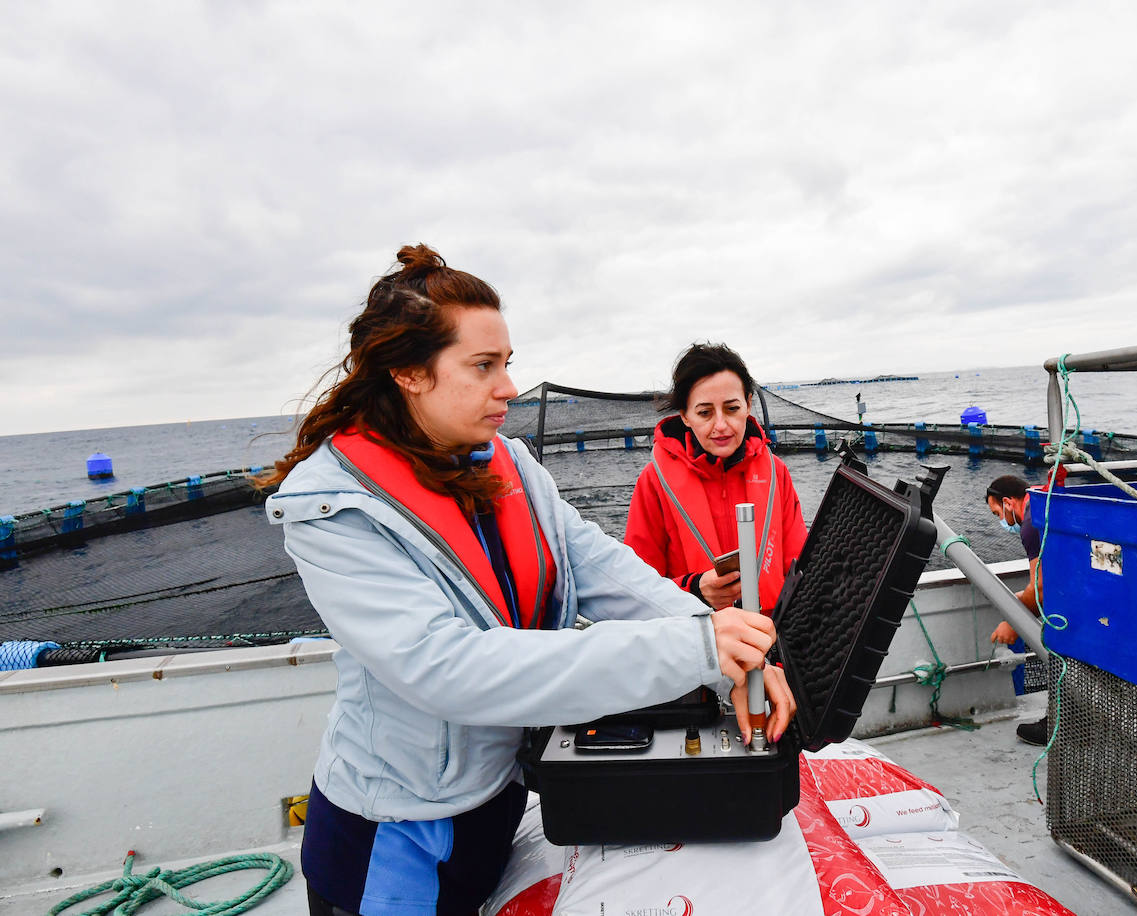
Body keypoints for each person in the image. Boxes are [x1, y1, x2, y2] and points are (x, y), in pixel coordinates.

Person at [257, 246, 795, 916]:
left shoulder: (510, 463)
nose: (509, 386)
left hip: (499, 802)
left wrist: (730, 652)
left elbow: (599, 567)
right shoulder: (333, 509)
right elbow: (447, 667)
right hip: (394, 842)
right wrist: (697, 648)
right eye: (483, 366)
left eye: (506, 363)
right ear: (408, 372)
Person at [624, 342, 808, 614]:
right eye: (705, 413)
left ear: (747, 404)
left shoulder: (776, 472)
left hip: (774, 642)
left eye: (732, 409)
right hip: (696, 645)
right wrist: (696, 589)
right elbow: (635, 590)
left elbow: (800, 568)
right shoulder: (654, 482)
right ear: (685, 415)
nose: (721, 425)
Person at [985, 474, 1047, 746]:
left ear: (1009, 503)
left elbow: (1042, 587)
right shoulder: (1042, 502)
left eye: (998, 512)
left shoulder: (1031, 525)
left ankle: (1059, 726)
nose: (1001, 520)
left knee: (1062, 656)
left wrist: (1013, 623)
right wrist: (1026, 596)